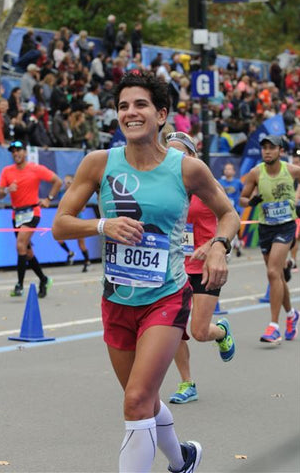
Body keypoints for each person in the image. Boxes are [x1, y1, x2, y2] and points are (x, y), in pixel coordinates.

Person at [52, 71, 239, 473]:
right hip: (117, 300)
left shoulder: (187, 169)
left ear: (161, 114)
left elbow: (229, 214)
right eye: (123, 106)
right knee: (146, 401)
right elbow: (61, 223)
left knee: (136, 399)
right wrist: (103, 225)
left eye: (140, 105)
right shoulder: (99, 164)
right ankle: (184, 458)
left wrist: (219, 247)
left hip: (166, 298)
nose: (130, 113)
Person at [165, 132, 236, 405]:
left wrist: (213, 245)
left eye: (180, 153)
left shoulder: (206, 182)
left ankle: (221, 331)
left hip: (207, 265)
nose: (175, 159)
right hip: (174, 266)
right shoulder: (165, 185)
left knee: (200, 331)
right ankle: (187, 383)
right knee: (172, 328)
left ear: (192, 157)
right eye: (169, 153)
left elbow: (231, 217)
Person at [240, 135, 300, 344]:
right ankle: (292, 314)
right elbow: (243, 197)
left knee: (273, 271)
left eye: (271, 148)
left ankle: (274, 326)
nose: (267, 151)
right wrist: (251, 201)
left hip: (286, 226)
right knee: (277, 277)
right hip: (265, 226)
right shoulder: (256, 173)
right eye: (264, 148)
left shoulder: (292, 171)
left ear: (280, 150)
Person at [0, 140, 62, 297]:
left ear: (25, 152)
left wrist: (48, 198)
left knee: (20, 245)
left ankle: (19, 285)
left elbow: (57, 181)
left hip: (32, 213)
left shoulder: (35, 169)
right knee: (27, 251)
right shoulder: (7, 171)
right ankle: (44, 279)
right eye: (13, 151)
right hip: (16, 214)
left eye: (18, 150)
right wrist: (6, 190)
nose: (16, 153)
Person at [56, 175, 92, 272]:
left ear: (73, 182)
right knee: (59, 238)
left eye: (68, 182)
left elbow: (83, 208)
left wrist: (74, 205)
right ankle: (70, 253)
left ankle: (87, 261)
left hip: (78, 221)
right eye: (65, 182)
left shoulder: (79, 193)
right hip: (67, 221)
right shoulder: (62, 194)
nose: (66, 184)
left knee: (81, 245)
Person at [219, 162, 243, 257]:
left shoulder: (238, 182)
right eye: (226, 169)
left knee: (235, 229)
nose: (227, 171)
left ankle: (235, 245)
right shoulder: (220, 182)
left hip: (235, 210)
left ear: (234, 171)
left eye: (229, 169)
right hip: (223, 210)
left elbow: (244, 193)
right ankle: (235, 245)